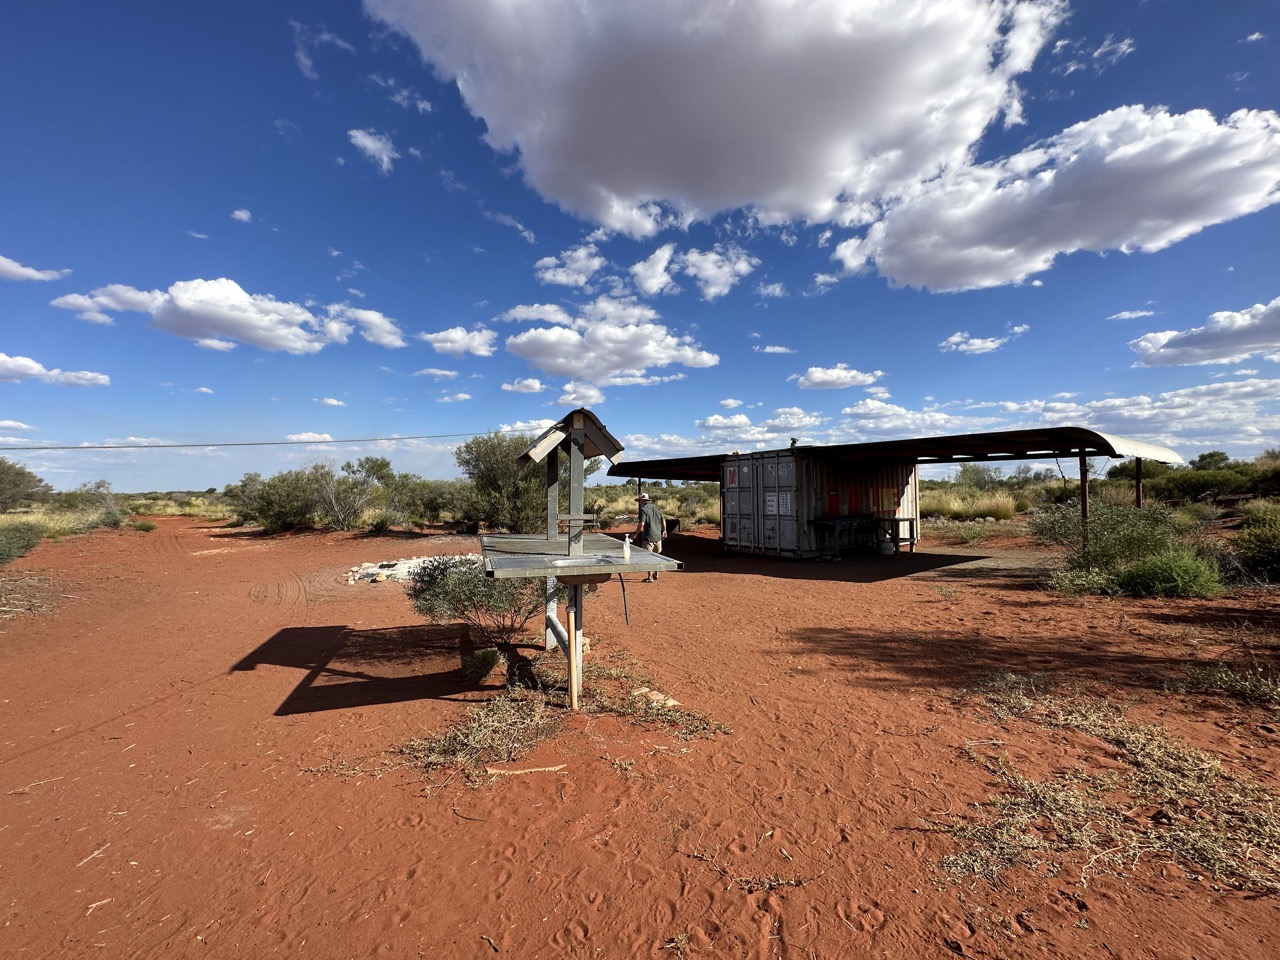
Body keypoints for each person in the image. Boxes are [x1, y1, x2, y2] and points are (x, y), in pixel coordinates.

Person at [633, 492, 665, 582]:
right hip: (658, 537)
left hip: (648, 537)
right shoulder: (657, 508)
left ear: (642, 500)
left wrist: (635, 533)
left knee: (647, 557)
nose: (639, 502)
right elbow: (663, 520)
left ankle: (650, 577)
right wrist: (664, 530)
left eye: (639, 500)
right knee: (657, 556)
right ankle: (656, 574)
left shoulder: (643, 509)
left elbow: (641, 524)